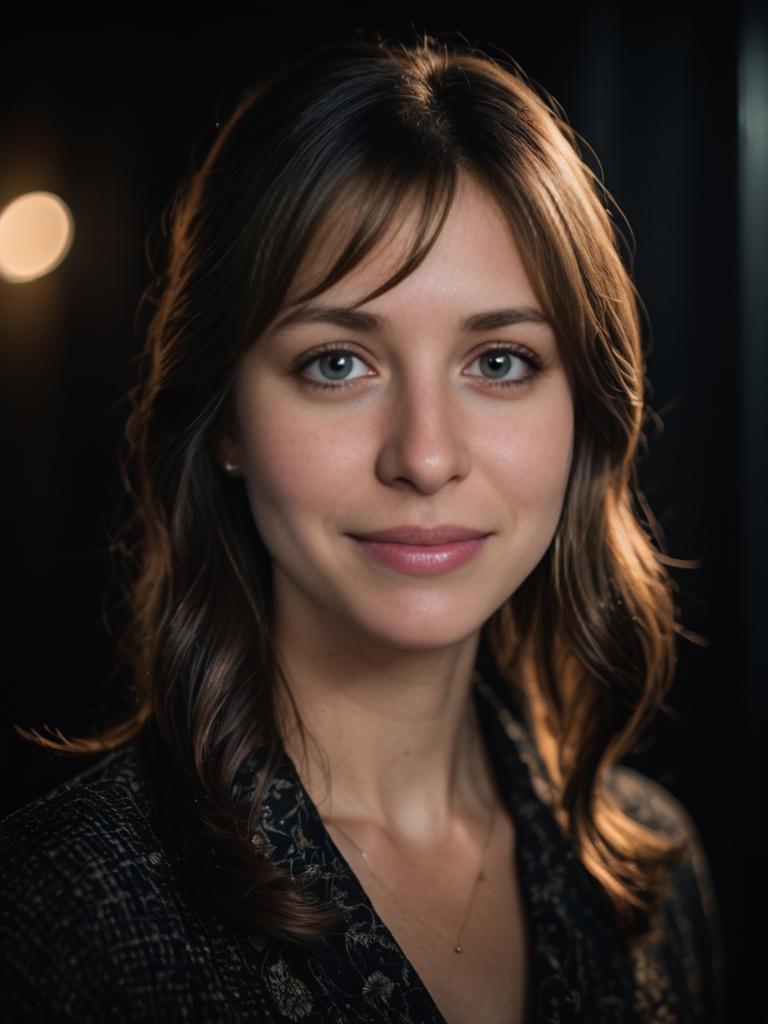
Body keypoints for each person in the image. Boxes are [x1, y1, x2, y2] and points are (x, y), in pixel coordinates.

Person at [0, 30, 726, 1024]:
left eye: (501, 361)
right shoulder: (59, 914)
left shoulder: (655, 878)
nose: (425, 457)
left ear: (585, 413)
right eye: (339, 362)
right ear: (227, 426)